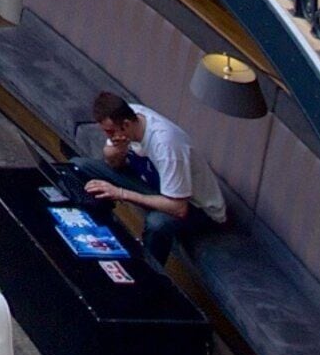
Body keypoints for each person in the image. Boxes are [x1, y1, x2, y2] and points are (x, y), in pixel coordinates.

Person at [80, 89, 229, 269]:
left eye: (111, 132)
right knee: (82, 167)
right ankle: (96, 234)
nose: (109, 137)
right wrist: (120, 149)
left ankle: (146, 272)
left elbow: (178, 208)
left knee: (157, 223)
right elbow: (112, 162)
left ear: (126, 125)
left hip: (196, 208)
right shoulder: (126, 118)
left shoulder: (166, 146)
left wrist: (120, 193)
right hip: (154, 186)